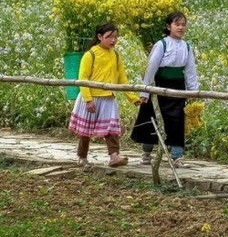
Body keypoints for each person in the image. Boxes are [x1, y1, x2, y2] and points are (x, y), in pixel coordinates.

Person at [131, 11, 199, 168]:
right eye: (177, 24)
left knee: (177, 120)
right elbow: (151, 68)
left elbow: (190, 71)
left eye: (183, 25)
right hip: (159, 86)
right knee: (151, 118)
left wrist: (193, 91)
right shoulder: (161, 45)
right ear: (169, 26)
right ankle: (146, 153)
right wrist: (145, 92)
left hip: (178, 88)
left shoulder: (187, 47)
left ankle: (177, 156)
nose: (181, 27)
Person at [68, 22, 141, 169]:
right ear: (100, 37)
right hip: (91, 97)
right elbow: (83, 78)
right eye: (109, 37)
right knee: (86, 130)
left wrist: (133, 98)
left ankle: (114, 156)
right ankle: (82, 156)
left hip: (108, 98)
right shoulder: (91, 55)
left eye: (115, 37)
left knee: (111, 129)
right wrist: (88, 100)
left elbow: (122, 79)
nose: (113, 40)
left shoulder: (115, 55)